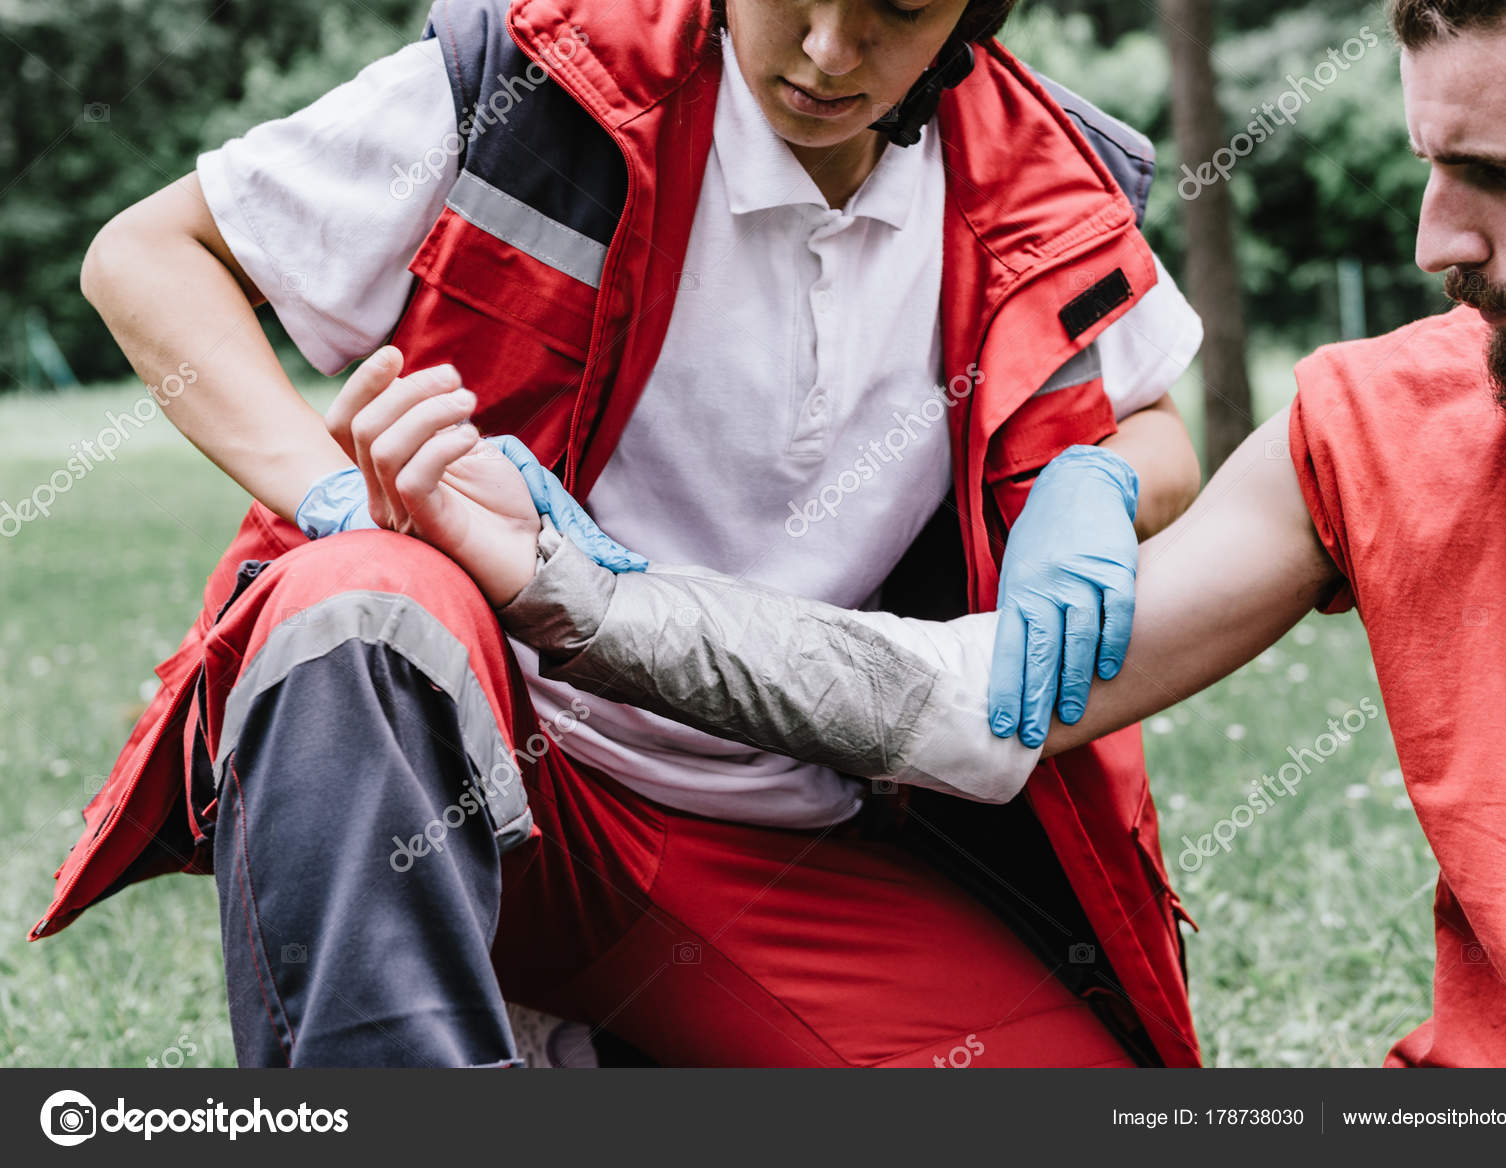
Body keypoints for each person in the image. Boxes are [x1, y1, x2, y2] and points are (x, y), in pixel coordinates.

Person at [365, 0, 1506, 1068]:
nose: (1438, 239)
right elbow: (968, 699)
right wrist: (583, 594)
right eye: (1433, 167)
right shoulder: (1390, 419)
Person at [39, 0, 1209, 1067]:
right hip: (483, 758)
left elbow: (1157, 421)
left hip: (772, 837)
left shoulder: (1044, 172)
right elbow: (146, 257)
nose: (828, 52)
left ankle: (592, 1048)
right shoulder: (540, 68)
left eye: (896, 11)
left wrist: (1098, 478)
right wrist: (331, 495)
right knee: (352, 594)